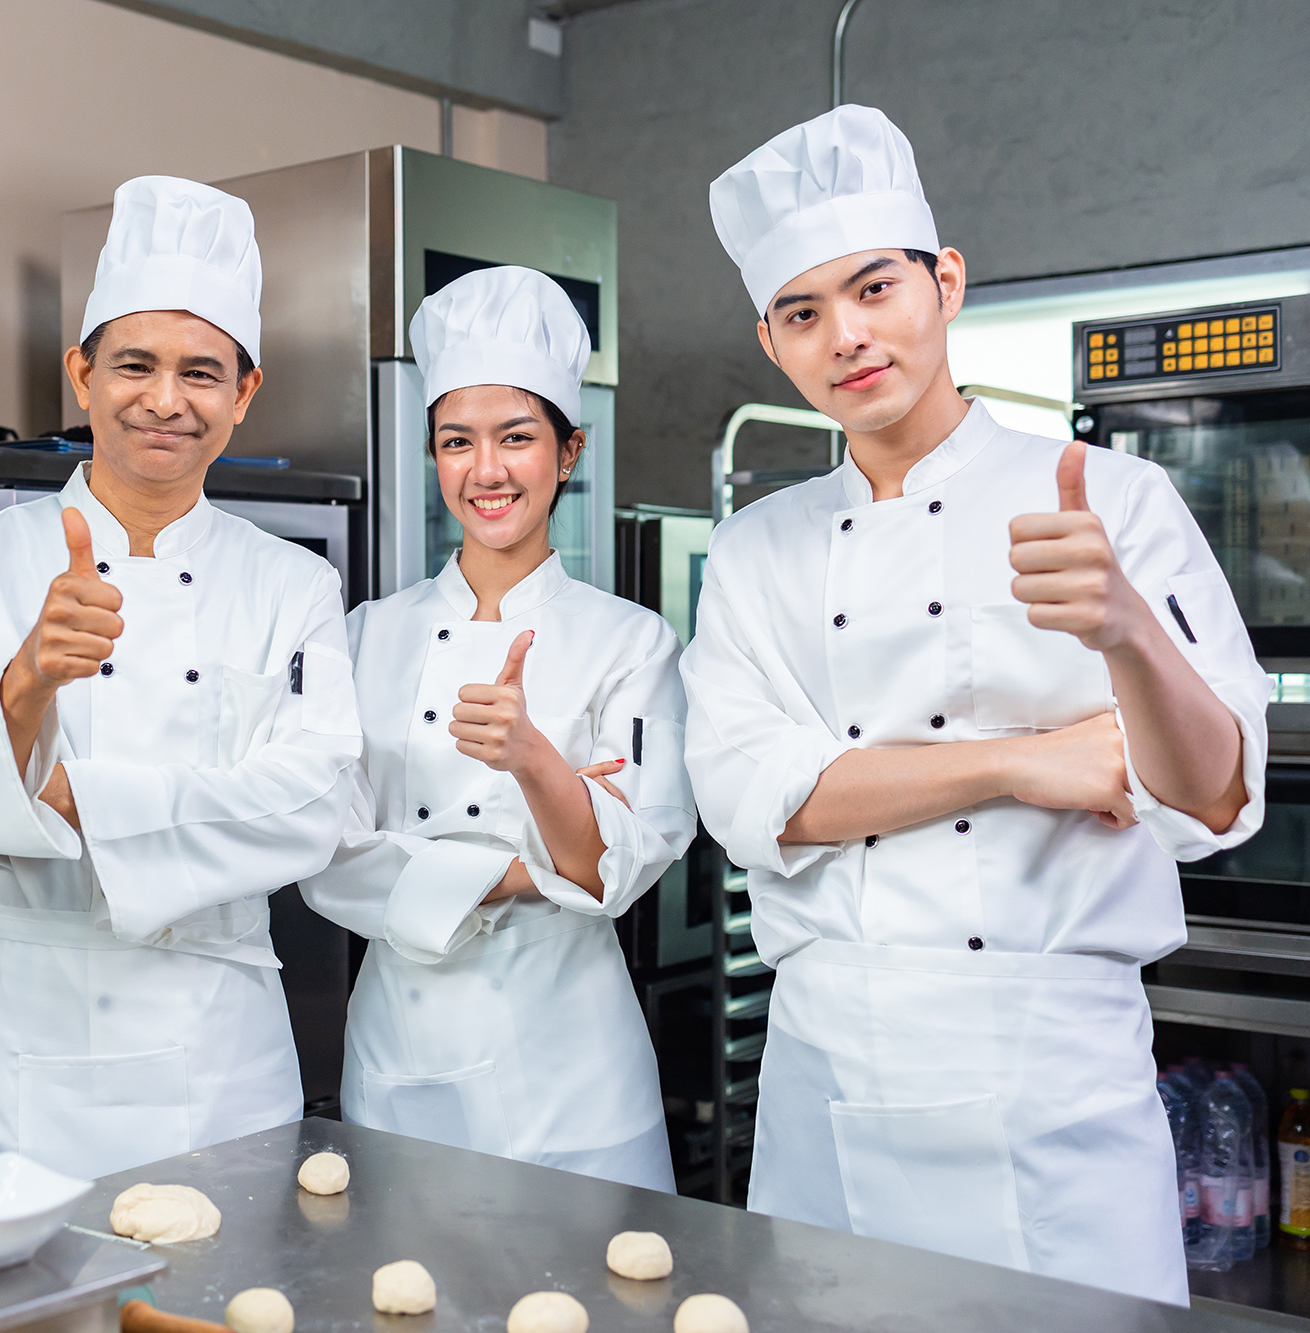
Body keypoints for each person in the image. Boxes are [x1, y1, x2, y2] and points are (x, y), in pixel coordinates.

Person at [685, 105, 1269, 1302]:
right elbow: (752, 798)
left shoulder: (1115, 496)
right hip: (827, 1066)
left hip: (1046, 1071)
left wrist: (1125, 632)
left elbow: (1215, 791)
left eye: (872, 288)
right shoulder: (754, 550)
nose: (845, 335)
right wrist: (1021, 762)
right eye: (802, 313)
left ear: (942, 281)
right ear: (770, 341)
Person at [0, 176, 362, 1181]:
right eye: (134, 364)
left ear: (243, 393)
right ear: (82, 374)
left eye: (201, 371)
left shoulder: (293, 583)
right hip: (18, 1054)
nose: (165, 400)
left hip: (220, 1055)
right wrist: (26, 681)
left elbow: (316, 805)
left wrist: (68, 795)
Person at [299, 266, 695, 1188]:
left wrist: (529, 760)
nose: (485, 470)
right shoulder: (365, 636)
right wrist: (534, 861)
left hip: (573, 1066)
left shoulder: (631, 641)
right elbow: (323, 850)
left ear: (567, 452)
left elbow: (616, 869)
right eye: (456, 441)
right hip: (399, 1044)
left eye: (516, 438)